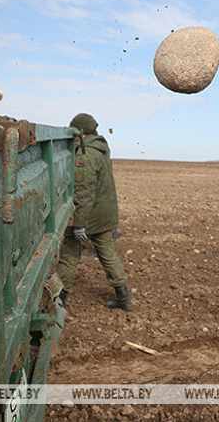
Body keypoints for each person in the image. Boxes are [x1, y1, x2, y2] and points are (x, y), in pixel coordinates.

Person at [57, 113, 132, 312]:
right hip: (104, 215)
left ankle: (59, 300)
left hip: (89, 215)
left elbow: (83, 192)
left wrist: (79, 224)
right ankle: (124, 297)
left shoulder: (85, 155)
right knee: (107, 254)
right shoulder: (101, 149)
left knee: (69, 254)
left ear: (80, 131)